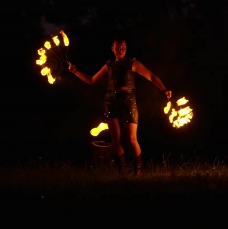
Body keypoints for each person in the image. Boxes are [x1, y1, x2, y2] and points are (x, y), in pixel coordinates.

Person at [67, 37, 172, 177]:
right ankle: (122, 171)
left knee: (131, 139)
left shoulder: (132, 63)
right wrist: (75, 71)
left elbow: (151, 76)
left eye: (123, 47)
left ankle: (138, 171)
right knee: (116, 139)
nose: (120, 50)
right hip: (110, 101)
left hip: (128, 100)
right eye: (117, 47)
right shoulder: (108, 65)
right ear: (112, 49)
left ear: (126, 48)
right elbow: (92, 80)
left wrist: (164, 89)